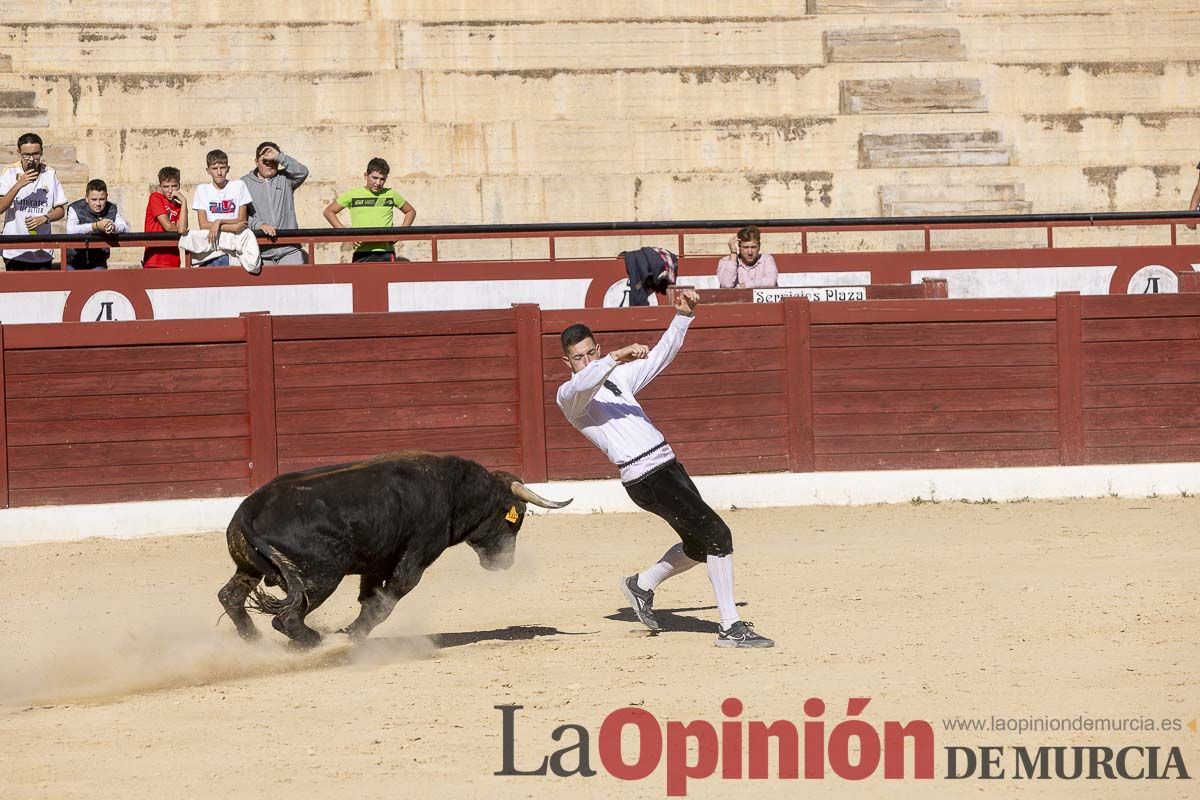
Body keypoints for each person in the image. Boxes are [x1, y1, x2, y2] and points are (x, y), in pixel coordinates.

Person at [555, 288, 774, 648]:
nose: (587, 361)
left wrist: (683, 317)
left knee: (699, 543)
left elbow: (660, 357)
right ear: (569, 363)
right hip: (645, 476)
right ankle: (730, 627)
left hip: (667, 466)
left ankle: (641, 584)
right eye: (579, 357)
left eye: (591, 352)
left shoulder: (618, 379)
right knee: (718, 534)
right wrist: (613, 356)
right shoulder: (571, 396)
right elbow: (585, 381)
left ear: (597, 347)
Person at [180, 149, 260, 273]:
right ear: (208, 171)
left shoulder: (239, 186)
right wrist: (231, 226)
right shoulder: (202, 189)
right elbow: (204, 225)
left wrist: (219, 222)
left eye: (222, 167)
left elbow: (242, 222)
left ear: (228, 168)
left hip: (234, 252)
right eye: (214, 168)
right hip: (211, 253)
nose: (219, 172)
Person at [323, 157, 416, 262]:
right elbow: (329, 211)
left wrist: (400, 233)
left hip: (386, 251)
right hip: (361, 252)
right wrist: (347, 234)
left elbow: (410, 211)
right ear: (366, 176)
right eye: (374, 178)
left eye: (382, 179)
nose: (378, 183)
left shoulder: (391, 194)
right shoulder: (353, 194)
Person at [0, 132, 68, 270]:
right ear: (19, 152)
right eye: (26, 155)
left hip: (42, 250)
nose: (31, 159)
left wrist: (45, 218)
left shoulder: (49, 173)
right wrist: (19, 184)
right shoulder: (10, 172)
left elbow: (61, 210)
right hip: (15, 251)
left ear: (42, 152)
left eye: (36, 154)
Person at [242, 141, 309, 265]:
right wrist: (258, 224)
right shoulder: (244, 183)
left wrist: (280, 157)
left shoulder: (286, 179)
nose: (269, 165)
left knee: (296, 284)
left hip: (290, 250)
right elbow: (240, 216)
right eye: (264, 161)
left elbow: (303, 172)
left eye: (273, 161)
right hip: (261, 252)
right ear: (256, 161)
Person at [65, 178, 130, 270]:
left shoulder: (111, 208)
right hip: (74, 261)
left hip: (99, 261)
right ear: (86, 198)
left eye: (102, 199)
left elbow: (125, 228)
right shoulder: (74, 208)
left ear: (107, 197)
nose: (98, 203)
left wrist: (113, 227)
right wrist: (96, 226)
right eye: (94, 199)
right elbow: (71, 230)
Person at [142, 166, 188, 269]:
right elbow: (168, 227)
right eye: (166, 186)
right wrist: (179, 229)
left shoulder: (180, 207)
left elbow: (183, 229)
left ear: (179, 186)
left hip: (173, 260)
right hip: (154, 259)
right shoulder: (155, 198)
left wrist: (184, 202)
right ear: (160, 187)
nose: (170, 190)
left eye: (174, 186)